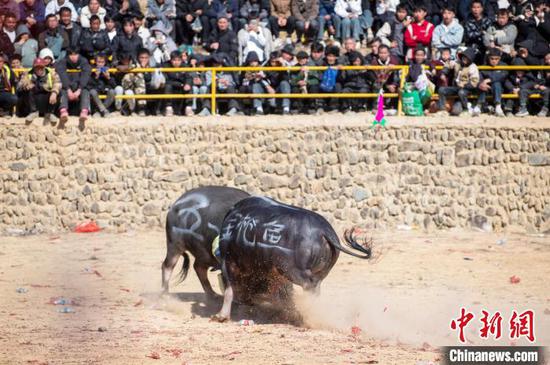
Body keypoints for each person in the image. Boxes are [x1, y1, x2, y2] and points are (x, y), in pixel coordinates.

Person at [437, 48, 480, 116]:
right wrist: (444, 73)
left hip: (467, 89)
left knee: (461, 93)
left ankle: (466, 110)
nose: (465, 59)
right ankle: (442, 110)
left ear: (470, 59)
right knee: (441, 90)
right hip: (456, 87)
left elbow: (474, 82)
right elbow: (448, 63)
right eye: (464, 57)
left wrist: (464, 85)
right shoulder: (457, 62)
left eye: (467, 58)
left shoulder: (473, 67)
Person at [17, 57, 61, 124]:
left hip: (48, 99)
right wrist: (25, 86)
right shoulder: (27, 73)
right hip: (33, 100)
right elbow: (19, 86)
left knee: (58, 92)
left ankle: (50, 113)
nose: (39, 70)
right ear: (34, 67)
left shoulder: (51, 72)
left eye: (41, 67)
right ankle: (33, 112)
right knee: (26, 91)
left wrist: (54, 92)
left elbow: (58, 83)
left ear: (44, 67)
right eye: (37, 67)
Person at [56, 47, 92, 124]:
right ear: (68, 55)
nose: (74, 57)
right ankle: (63, 110)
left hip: (79, 87)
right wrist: (68, 89)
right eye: (71, 55)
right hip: (67, 87)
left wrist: (79, 90)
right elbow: (62, 74)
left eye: (76, 54)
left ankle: (84, 111)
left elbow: (86, 74)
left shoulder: (84, 61)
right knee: (62, 91)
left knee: (85, 91)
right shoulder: (63, 62)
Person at [477, 48, 508, 116]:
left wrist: (490, 79)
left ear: (499, 58)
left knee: (496, 83)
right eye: (492, 58)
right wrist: (481, 83)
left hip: (500, 89)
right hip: (486, 89)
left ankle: (498, 106)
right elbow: (479, 77)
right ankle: (478, 106)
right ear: (488, 58)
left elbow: (503, 76)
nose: (494, 61)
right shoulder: (484, 66)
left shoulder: (504, 65)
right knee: (482, 85)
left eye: (496, 59)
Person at [162, 50, 191, 116]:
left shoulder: (185, 66)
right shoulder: (165, 66)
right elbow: (167, 80)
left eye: (178, 60)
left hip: (182, 87)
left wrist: (187, 84)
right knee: (168, 86)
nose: (176, 62)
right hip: (171, 87)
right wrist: (180, 84)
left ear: (181, 60)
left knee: (189, 86)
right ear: (171, 60)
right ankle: (169, 108)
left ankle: (188, 108)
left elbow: (189, 77)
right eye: (174, 60)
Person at [0, 52, 18, 117]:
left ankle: (3, 111)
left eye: (0, 62)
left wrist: (24, 77)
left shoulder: (7, 70)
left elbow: (16, 80)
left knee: (13, 98)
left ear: (3, 63)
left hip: (3, 92)